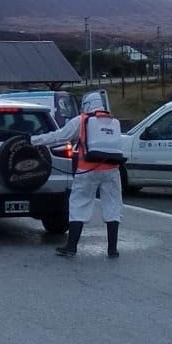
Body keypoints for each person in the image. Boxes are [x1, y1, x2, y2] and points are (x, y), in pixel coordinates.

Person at [29, 90, 123, 258]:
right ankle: (112, 249)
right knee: (113, 206)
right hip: (111, 170)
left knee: (79, 205)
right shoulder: (114, 122)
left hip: (87, 170)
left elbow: (59, 136)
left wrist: (34, 141)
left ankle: (71, 247)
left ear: (86, 105)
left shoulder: (81, 121)